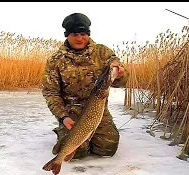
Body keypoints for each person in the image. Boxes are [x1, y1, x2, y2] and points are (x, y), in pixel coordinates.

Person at [41, 12, 128, 160]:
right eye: (74, 34)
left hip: (96, 110)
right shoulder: (55, 60)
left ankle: (95, 136)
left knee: (108, 149)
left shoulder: (102, 52)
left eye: (83, 33)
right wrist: (63, 117)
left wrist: (119, 72)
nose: (79, 38)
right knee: (77, 153)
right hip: (71, 113)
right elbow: (51, 93)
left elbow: (121, 81)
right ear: (67, 35)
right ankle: (63, 132)